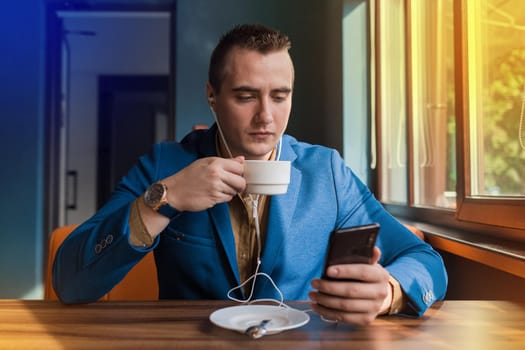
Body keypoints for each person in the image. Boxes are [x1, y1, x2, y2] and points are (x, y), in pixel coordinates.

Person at [53, 23, 447, 325]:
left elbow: (423, 259)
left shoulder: (326, 171)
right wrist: (164, 198)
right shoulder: (165, 165)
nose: (266, 116)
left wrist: (389, 293)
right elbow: (71, 281)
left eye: (280, 96)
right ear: (212, 96)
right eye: (245, 96)